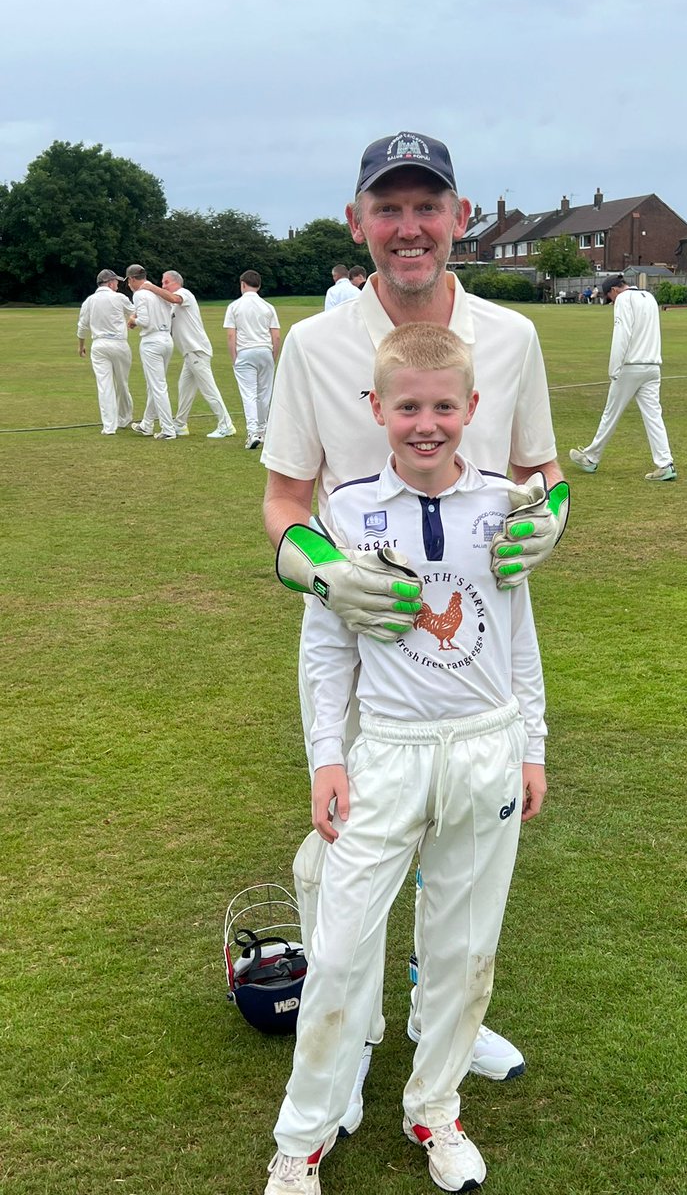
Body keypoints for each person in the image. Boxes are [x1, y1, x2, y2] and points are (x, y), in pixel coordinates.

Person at [261, 129, 569, 1164]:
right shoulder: (313, 347)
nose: (407, 227)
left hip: (473, 649)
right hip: (366, 650)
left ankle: (448, 1034)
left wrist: (553, 515)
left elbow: (538, 471)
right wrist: (321, 572)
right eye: (386, 208)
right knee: (340, 865)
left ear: (459, 216)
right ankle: (343, 1062)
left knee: (462, 881)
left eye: (425, 206)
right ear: (359, 223)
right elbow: (283, 502)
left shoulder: (511, 340)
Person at [569, 273, 677, 480]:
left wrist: (613, 369)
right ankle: (665, 464)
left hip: (631, 366)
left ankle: (591, 458)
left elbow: (622, 335)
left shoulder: (624, 299)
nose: (611, 302)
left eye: (610, 298)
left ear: (615, 290)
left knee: (611, 414)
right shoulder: (649, 297)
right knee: (654, 416)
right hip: (653, 366)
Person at [137, 271, 236, 438]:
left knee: (209, 390)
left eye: (164, 283)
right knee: (184, 389)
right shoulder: (172, 304)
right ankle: (180, 425)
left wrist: (151, 287)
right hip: (189, 354)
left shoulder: (183, 294)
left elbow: (174, 298)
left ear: (172, 281)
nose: (163, 286)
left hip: (197, 350)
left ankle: (226, 424)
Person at [223, 270, 281, 449]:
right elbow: (276, 336)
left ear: (242, 284)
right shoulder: (268, 307)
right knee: (264, 393)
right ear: (259, 286)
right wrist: (273, 356)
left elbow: (231, 335)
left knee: (249, 393)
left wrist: (234, 357)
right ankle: (263, 431)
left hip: (245, 351)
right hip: (265, 350)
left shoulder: (234, 306)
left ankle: (253, 432)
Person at [76, 269, 134, 434]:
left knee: (104, 386)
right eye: (116, 282)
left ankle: (109, 426)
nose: (117, 285)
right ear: (109, 283)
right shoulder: (119, 298)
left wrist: (81, 346)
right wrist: (132, 321)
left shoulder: (89, 301)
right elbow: (135, 312)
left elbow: (82, 326)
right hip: (119, 344)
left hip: (99, 345)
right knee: (122, 383)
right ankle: (124, 418)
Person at [125, 265, 176, 440]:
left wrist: (132, 320)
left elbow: (145, 321)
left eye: (129, 281)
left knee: (158, 386)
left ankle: (168, 428)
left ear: (132, 279)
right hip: (166, 339)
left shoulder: (139, 294)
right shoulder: (158, 292)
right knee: (153, 385)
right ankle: (147, 424)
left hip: (152, 341)